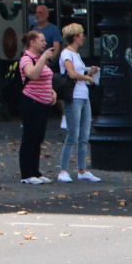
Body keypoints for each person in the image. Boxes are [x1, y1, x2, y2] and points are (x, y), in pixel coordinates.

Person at [57, 23, 100, 183]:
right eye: (81, 34)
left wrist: (89, 73)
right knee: (72, 134)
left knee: (84, 135)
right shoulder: (66, 54)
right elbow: (72, 73)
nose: (83, 37)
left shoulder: (76, 54)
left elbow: (78, 73)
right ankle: (63, 170)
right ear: (75, 37)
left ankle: (82, 170)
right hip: (74, 96)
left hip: (83, 95)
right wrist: (88, 77)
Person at [18, 30, 59, 184]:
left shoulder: (37, 58)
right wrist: (43, 58)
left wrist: (52, 91)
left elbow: (45, 77)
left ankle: (35, 171)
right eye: (42, 40)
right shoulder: (26, 59)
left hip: (43, 102)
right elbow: (33, 75)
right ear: (33, 42)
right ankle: (26, 174)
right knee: (29, 137)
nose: (45, 43)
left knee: (38, 137)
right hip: (31, 101)